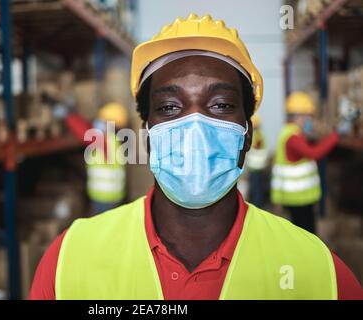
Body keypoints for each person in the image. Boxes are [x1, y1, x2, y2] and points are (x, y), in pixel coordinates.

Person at [29, 14, 363, 300]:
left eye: (220, 105)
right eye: (169, 107)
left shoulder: (319, 273)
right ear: (146, 133)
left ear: (247, 133)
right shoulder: (68, 262)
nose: (195, 126)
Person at [271, 92, 339, 234]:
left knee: (300, 231)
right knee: (306, 233)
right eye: (308, 116)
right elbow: (314, 153)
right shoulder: (293, 137)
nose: (309, 120)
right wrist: (335, 136)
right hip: (298, 198)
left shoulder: (289, 131)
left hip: (295, 197)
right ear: (298, 116)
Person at [86, 102, 128, 214]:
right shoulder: (115, 141)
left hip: (104, 200)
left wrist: (69, 116)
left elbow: (82, 133)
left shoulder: (106, 142)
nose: (99, 124)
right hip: (113, 198)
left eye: (103, 122)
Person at [246, 114, 268, 207]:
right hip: (258, 166)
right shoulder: (259, 134)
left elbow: (253, 146)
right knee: (257, 189)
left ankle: (256, 206)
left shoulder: (255, 135)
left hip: (255, 167)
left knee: (256, 190)